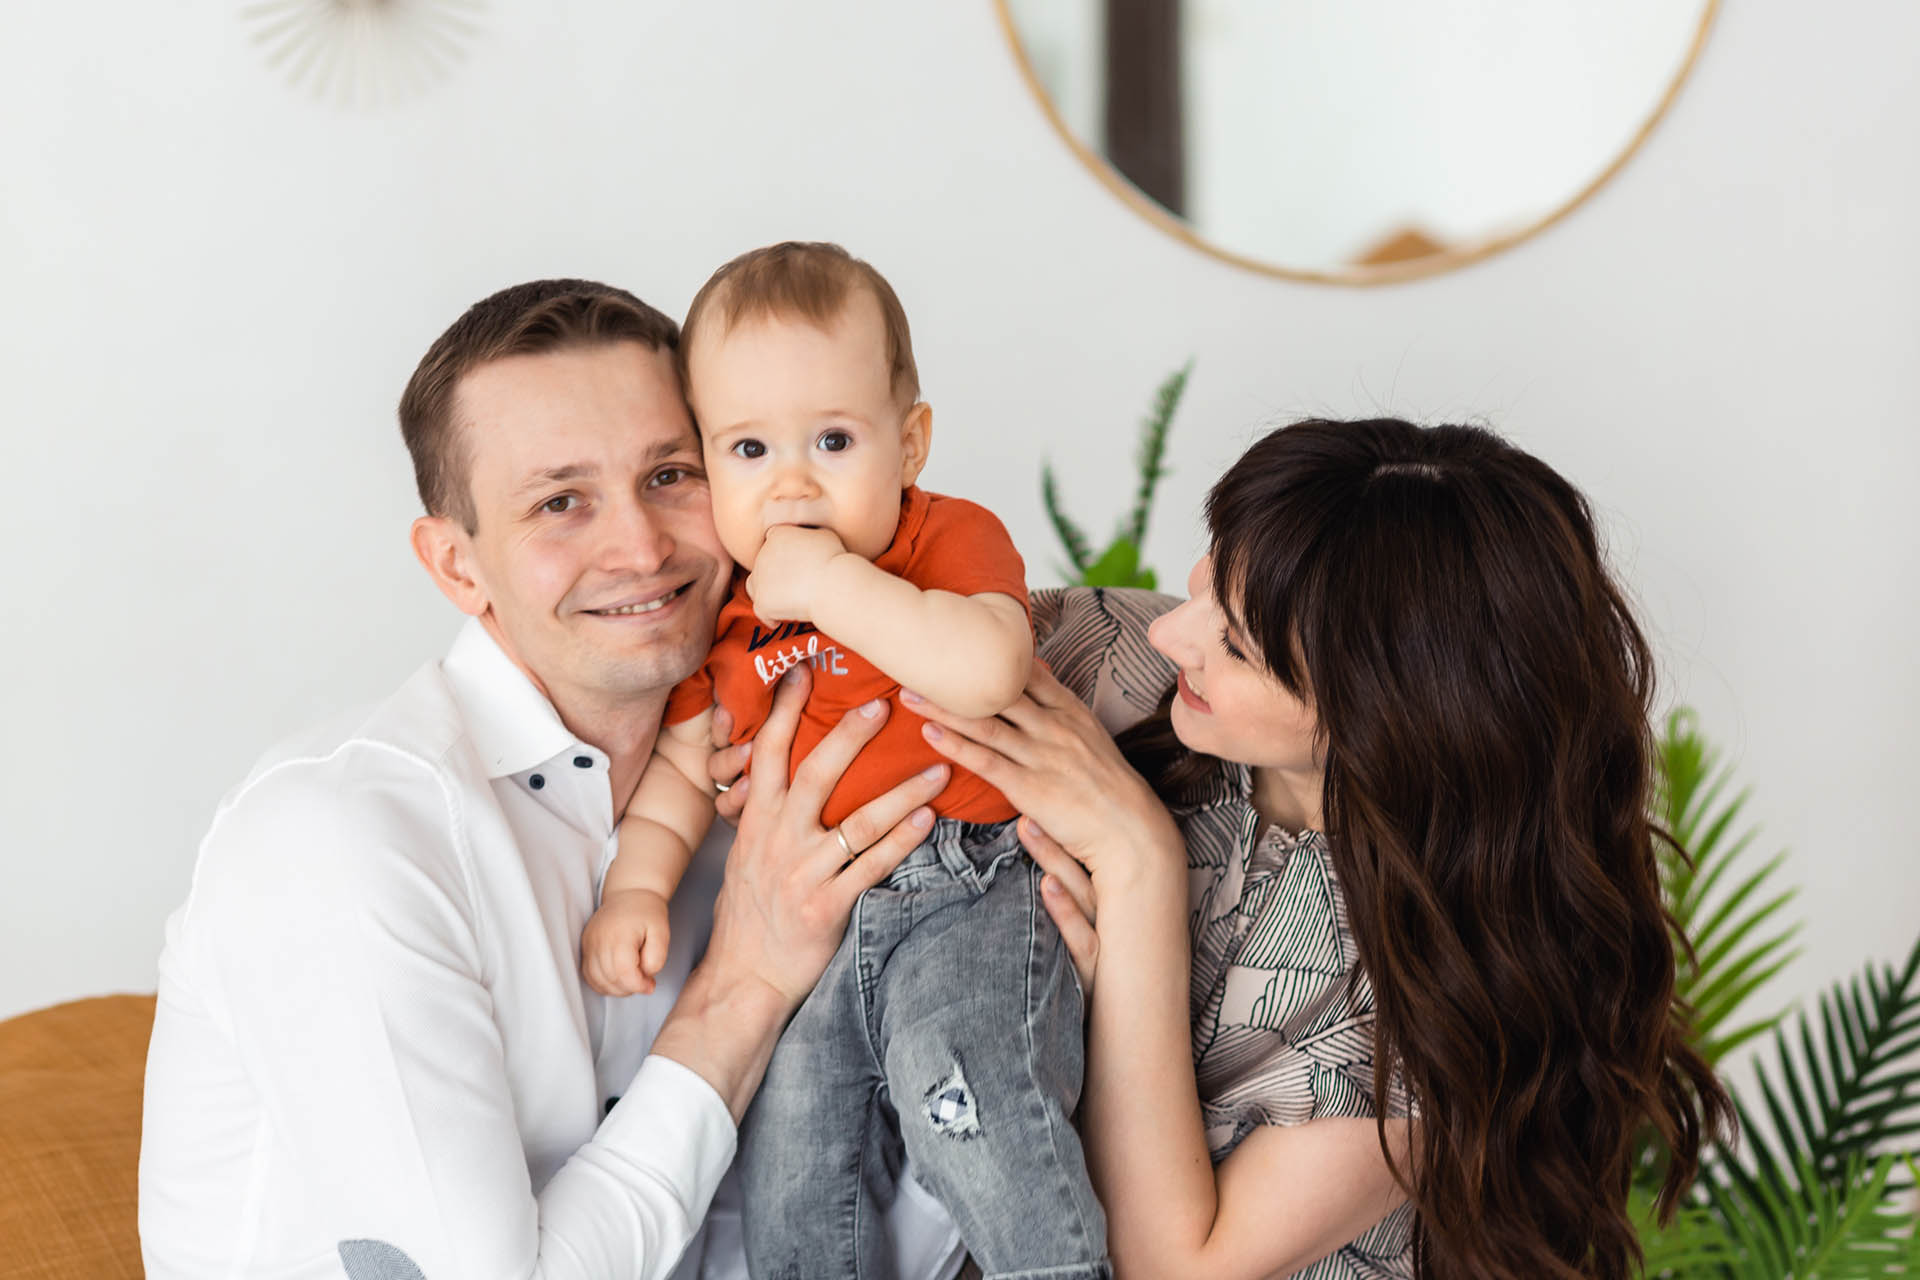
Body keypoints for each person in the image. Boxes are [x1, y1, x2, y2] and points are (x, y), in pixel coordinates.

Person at [136, 278, 964, 1280]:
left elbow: (773, 1242)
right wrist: (742, 987)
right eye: (560, 502)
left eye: (670, 474)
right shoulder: (341, 839)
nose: (641, 547)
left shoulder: (756, 808)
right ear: (457, 565)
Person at [908, 419, 1734, 1279]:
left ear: (1383, 717)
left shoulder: (1438, 996)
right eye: (1208, 578)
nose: (1172, 635)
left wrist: (1139, 865)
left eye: (1236, 644)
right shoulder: (1113, 660)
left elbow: (1170, 1267)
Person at [583, 242, 1108, 1280]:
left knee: (969, 1095)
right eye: (748, 449)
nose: (791, 482)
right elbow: (684, 770)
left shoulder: (940, 539)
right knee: (788, 1161)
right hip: (813, 930)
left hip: (969, 885)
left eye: (832, 439)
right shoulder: (728, 612)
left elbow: (985, 667)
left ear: (908, 445)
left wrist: (828, 583)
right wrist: (636, 889)